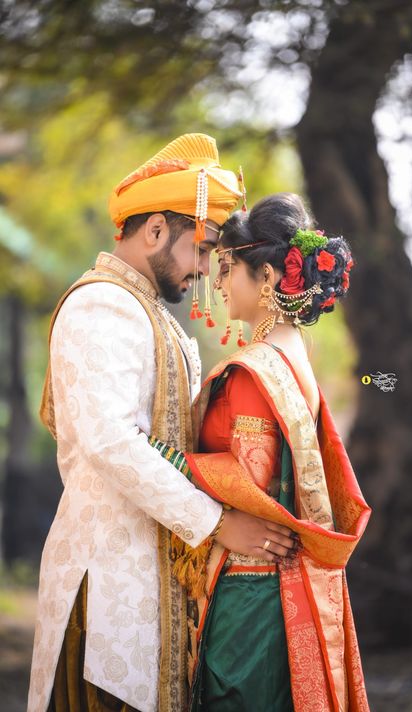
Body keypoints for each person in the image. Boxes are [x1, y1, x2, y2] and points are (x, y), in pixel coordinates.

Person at [27, 134, 298, 712]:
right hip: (107, 582)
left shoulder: (147, 309)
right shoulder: (99, 305)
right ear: (154, 230)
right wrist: (216, 521)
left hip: (152, 575)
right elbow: (110, 439)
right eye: (200, 250)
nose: (205, 270)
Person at [151, 192, 372, 711]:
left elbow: (249, 481)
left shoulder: (254, 372)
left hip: (249, 591)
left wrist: (162, 456)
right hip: (283, 584)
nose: (218, 280)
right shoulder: (296, 357)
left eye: (226, 266)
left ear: (268, 277)